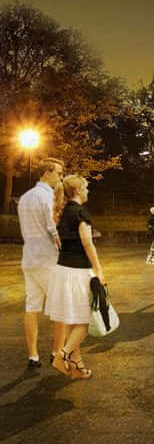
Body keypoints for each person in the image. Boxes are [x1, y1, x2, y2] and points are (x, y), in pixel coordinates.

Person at [47, 174, 104, 380]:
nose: (88, 191)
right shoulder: (80, 213)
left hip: (62, 271)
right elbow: (88, 244)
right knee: (84, 321)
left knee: (73, 320)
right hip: (78, 272)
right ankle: (62, 356)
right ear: (78, 190)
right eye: (86, 188)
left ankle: (77, 366)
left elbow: (58, 242)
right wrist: (99, 270)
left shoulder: (62, 213)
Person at [18, 157, 63, 371]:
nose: (60, 178)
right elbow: (51, 227)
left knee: (31, 307)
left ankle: (33, 355)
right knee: (61, 307)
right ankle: (57, 353)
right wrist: (61, 244)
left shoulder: (25, 198)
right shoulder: (47, 197)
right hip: (47, 258)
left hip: (29, 257)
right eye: (59, 173)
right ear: (47, 173)